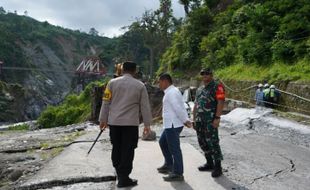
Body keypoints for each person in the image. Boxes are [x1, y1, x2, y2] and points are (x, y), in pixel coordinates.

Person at [98, 61, 152, 188]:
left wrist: (102, 120)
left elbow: (105, 101)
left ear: (122, 70)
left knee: (116, 147)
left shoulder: (111, 83)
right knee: (128, 149)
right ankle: (124, 177)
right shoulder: (140, 85)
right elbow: (145, 106)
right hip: (130, 124)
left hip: (114, 123)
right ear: (134, 71)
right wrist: (147, 124)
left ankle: (119, 173)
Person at [157, 73, 192, 181]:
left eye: (160, 82)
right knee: (162, 142)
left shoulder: (172, 92)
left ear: (165, 81)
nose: (159, 84)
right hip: (169, 124)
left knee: (174, 149)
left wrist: (185, 120)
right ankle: (169, 164)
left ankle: (178, 172)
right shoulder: (170, 92)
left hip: (173, 124)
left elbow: (178, 108)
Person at [193, 68, 225, 178]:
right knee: (202, 142)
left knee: (213, 142)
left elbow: (221, 101)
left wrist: (217, 117)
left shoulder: (218, 86)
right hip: (199, 121)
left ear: (211, 75)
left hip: (210, 120)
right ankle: (209, 162)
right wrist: (194, 119)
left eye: (207, 73)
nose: (205, 75)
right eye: (203, 73)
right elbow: (196, 105)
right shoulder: (199, 89)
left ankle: (218, 167)